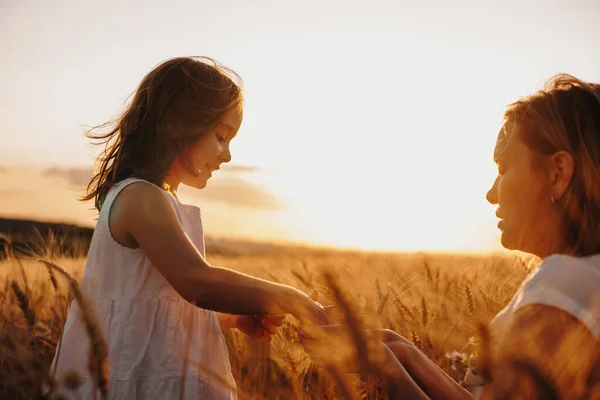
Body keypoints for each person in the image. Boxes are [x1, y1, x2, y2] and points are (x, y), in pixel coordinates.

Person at [300, 74, 600, 399]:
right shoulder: (586, 278)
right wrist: (400, 353)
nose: (491, 194)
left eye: (503, 169)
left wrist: (387, 369)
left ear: (557, 174)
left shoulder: (566, 281)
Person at [49, 56, 328, 400]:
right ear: (180, 126)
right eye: (221, 137)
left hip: (157, 368)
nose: (226, 156)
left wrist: (234, 319)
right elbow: (196, 282)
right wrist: (294, 298)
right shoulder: (139, 197)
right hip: (134, 377)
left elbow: (158, 309)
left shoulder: (162, 202)